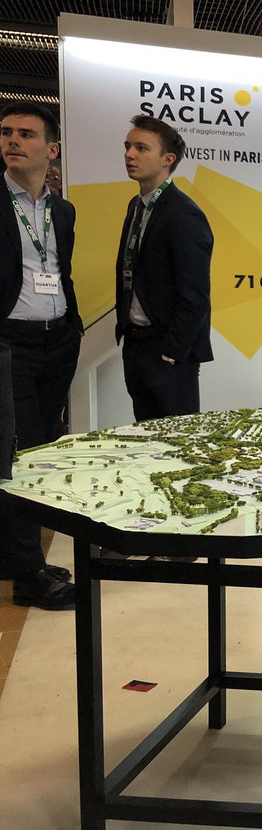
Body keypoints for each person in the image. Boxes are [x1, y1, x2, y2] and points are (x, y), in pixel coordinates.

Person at [0, 102, 81, 609]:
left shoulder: (62, 210)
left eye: (26, 134)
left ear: (51, 150)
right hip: (9, 342)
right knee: (18, 455)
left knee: (42, 449)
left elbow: (58, 270)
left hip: (56, 341)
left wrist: (71, 328)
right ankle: (28, 574)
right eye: (7, 132)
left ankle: (23, 557)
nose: (13, 140)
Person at [115, 115, 213, 421]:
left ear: (167, 159)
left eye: (141, 148)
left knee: (177, 440)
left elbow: (194, 296)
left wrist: (171, 353)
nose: (130, 154)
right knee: (145, 435)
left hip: (168, 352)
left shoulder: (184, 214)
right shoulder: (137, 206)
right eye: (128, 146)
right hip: (136, 345)